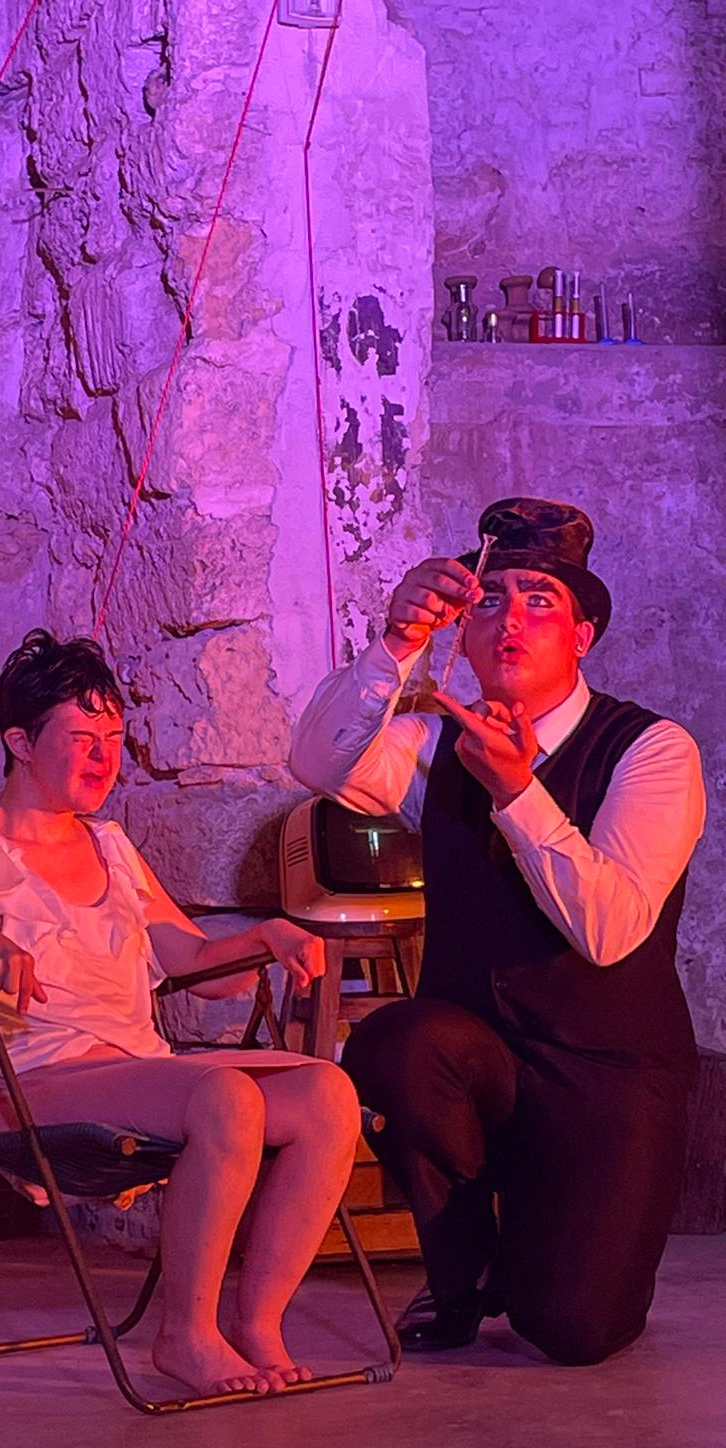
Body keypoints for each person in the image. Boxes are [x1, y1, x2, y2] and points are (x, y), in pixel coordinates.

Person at [0, 629, 361, 1397]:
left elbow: (197, 968)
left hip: (137, 1073)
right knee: (225, 1097)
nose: (104, 759)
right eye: (81, 739)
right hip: (34, 1086)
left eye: (113, 740)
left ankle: (257, 1323)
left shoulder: (112, 848)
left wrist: (264, 937)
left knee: (328, 1094)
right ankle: (185, 1336)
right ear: (20, 743)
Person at [290, 498, 705, 1365]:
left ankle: (545, 1241)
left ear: (582, 636)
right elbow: (318, 761)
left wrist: (519, 794)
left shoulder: (653, 751)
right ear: (465, 632)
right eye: (489, 600)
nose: (510, 618)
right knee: (397, 1043)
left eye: (539, 600)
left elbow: (609, 931)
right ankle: (461, 1271)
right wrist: (396, 642)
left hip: (607, 1072)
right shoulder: (435, 743)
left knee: (573, 1330)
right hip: (479, 1056)